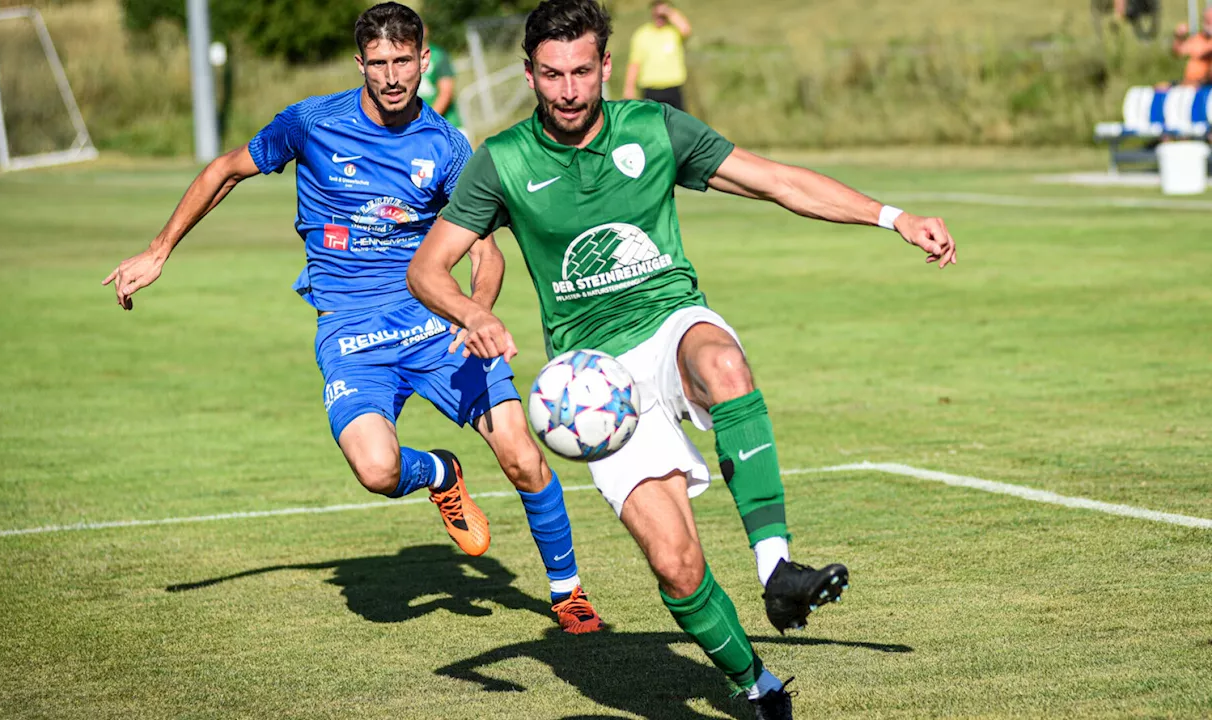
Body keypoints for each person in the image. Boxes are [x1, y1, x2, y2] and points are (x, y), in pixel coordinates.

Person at [407, 0, 958, 715]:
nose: (568, 90)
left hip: (670, 322)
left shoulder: (653, 129)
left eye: (581, 71)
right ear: (529, 75)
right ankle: (753, 683)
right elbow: (428, 269)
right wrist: (474, 313)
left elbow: (775, 180)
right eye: (551, 75)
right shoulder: (503, 161)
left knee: (725, 365)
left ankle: (777, 569)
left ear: (606, 65)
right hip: (596, 382)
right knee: (675, 563)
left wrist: (895, 217)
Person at [102, 2, 604, 635]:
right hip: (350, 331)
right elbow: (227, 169)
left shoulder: (447, 145)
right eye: (378, 64)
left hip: (431, 326)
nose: (392, 77)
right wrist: (159, 250)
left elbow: (485, 251)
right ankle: (441, 472)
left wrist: (474, 315)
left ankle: (568, 593)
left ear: (425, 60)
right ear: (360, 64)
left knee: (521, 456)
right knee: (377, 470)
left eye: (404, 62)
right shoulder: (311, 123)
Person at [623, 0, 691, 110]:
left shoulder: (674, 32)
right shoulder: (642, 34)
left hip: (673, 88)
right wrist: (629, 88)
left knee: (676, 124)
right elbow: (634, 63)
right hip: (651, 90)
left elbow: (686, 29)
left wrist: (668, 11)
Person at [417, 24, 466, 138]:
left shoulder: (438, 55)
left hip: (447, 126)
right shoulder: (400, 59)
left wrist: (426, 122)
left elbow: (446, 93)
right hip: (419, 130)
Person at [1171, 7, 1212, 87]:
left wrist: (1202, 53)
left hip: (1204, 83)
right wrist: (1179, 36)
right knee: (1161, 87)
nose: (1208, 23)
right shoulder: (1197, 38)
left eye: (1210, 20)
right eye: (1206, 20)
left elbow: (1205, 54)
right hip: (1189, 82)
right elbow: (1178, 50)